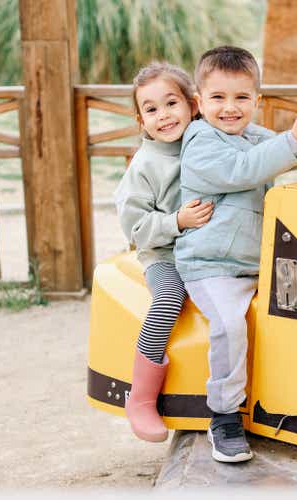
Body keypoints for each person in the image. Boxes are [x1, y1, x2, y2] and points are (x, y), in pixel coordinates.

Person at [174, 46, 297, 462]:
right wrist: (292, 140)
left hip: (258, 264)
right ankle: (223, 414)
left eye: (241, 98)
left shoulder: (254, 137)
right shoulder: (200, 142)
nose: (230, 108)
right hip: (212, 266)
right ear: (199, 103)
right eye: (217, 98)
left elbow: (286, 152)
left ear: (257, 101)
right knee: (229, 327)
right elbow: (247, 170)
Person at [114, 62, 214, 442]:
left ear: (193, 105)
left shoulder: (209, 143)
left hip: (208, 250)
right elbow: (136, 228)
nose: (163, 115)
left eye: (171, 103)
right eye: (151, 109)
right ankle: (140, 398)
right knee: (169, 297)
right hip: (164, 254)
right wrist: (177, 221)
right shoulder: (145, 166)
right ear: (140, 120)